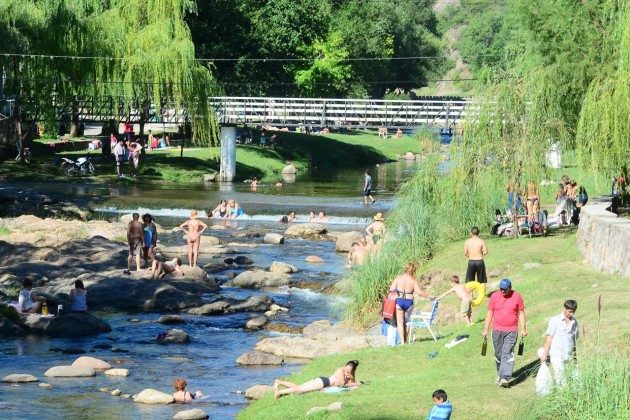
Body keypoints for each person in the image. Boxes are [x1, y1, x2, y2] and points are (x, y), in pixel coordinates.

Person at [481, 278, 527, 387]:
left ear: (510, 288)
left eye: (505, 289)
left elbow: (521, 313)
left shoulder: (516, 296)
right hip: (497, 329)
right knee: (498, 353)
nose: (502, 291)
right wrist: (485, 329)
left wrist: (524, 328)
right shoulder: (494, 296)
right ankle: (500, 372)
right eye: (501, 289)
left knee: (507, 352)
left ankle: (504, 378)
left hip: (511, 330)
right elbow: (490, 313)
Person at [389, 263, 431, 344]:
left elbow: (391, 289)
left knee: (400, 323)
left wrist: (398, 291)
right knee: (407, 322)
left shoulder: (399, 278)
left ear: (405, 269)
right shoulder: (413, 280)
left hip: (399, 301)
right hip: (409, 302)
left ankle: (402, 342)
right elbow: (419, 292)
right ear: (413, 270)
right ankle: (406, 340)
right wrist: (429, 296)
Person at [538, 300, 579, 386]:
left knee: (568, 376)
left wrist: (575, 356)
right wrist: (545, 354)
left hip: (569, 355)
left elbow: (574, 340)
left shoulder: (575, 322)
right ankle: (561, 394)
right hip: (557, 353)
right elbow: (549, 338)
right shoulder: (555, 320)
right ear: (565, 309)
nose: (571, 314)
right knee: (560, 376)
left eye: (573, 312)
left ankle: (566, 393)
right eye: (570, 311)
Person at [274, 360, 360, 399]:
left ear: (353, 370)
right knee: (300, 390)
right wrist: (352, 383)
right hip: (323, 382)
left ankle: (280, 382)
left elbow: (351, 383)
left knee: (299, 387)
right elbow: (341, 384)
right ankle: (279, 392)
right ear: (345, 366)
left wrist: (355, 382)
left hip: (322, 381)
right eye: (346, 368)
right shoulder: (340, 370)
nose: (347, 371)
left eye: (349, 370)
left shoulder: (350, 374)